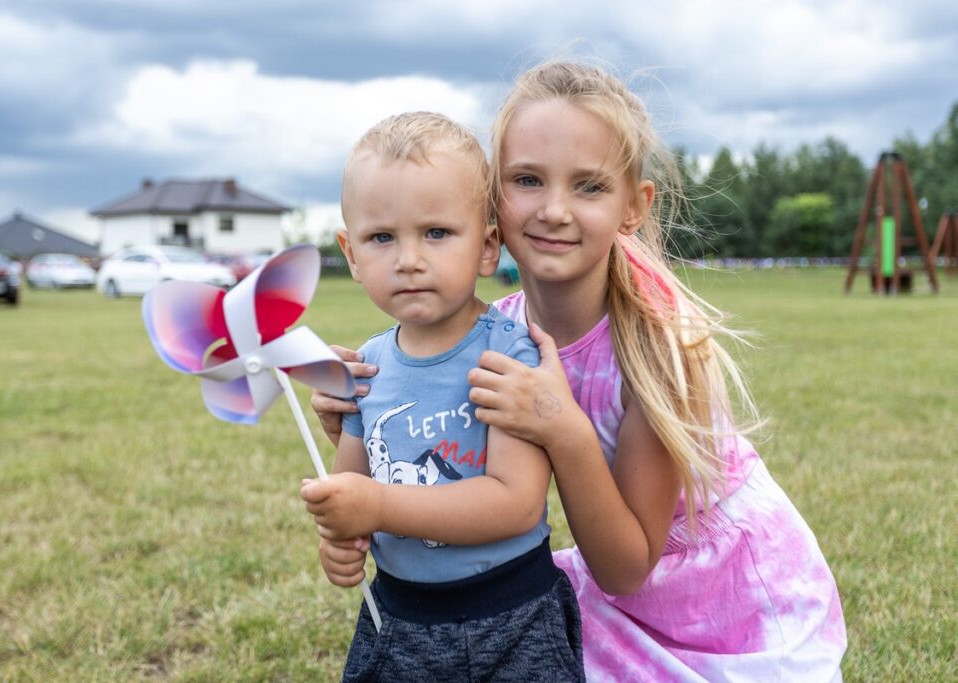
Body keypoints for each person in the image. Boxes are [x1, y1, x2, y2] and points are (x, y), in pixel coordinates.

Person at [313, 62, 847, 682]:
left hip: (721, 599)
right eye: (527, 180)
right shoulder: (496, 335)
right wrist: (368, 421)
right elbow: (447, 461)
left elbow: (626, 567)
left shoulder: (658, 349)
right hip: (608, 590)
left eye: (588, 187)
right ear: (492, 204)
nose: (555, 210)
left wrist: (561, 427)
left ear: (633, 205)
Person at [299, 112, 584, 682]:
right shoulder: (364, 369)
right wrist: (341, 538)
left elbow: (515, 502)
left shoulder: (508, 355)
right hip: (399, 619)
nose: (408, 258)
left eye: (436, 233)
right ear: (350, 254)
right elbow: (350, 496)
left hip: (513, 617)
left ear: (486, 247)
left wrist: (377, 505)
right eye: (381, 237)